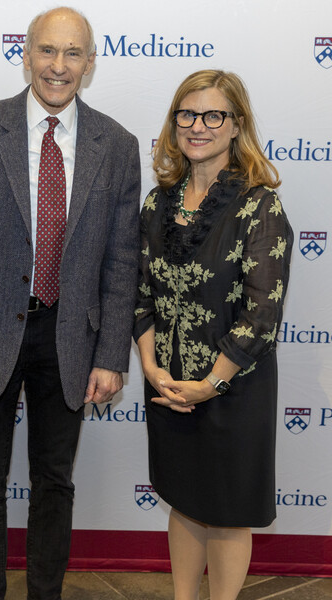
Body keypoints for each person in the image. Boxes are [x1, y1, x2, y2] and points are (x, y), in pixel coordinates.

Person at [0, 7, 140, 599]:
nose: (59, 66)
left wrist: (111, 355)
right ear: (26, 55)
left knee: (55, 482)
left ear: (91, 63)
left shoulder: (118, 146)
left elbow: (122, 260)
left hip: (72, 336)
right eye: (48, 51)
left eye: (74, 54)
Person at [133, 69, 293, 600]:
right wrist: (154, 370)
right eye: (187, 114)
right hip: (169, 385)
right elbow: (141, 296)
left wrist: (211, 383)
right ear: (174, 122)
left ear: (235, 125)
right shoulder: (157, 205)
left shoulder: (260, 206)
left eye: (213, 115)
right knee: (183, 499)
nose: (198, 126)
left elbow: (261, 315)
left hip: (232, 389)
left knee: (225, 513)